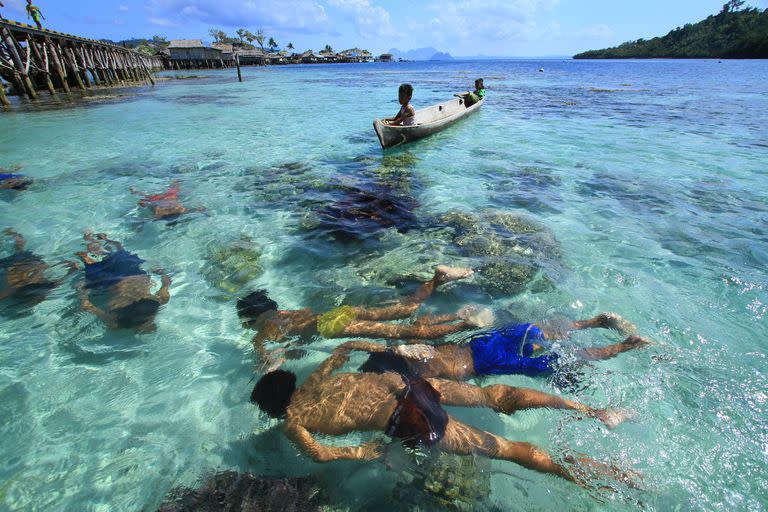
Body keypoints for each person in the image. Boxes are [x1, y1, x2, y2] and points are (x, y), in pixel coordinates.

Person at [251, 341, 638, 487]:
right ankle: (597, 411)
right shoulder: (317, 377)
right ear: (289, 383)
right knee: (496, 395)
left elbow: (319, 454)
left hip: (408, 420)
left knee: (505, 448)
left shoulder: (293, 423)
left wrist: (362, 452)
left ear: (272, 409)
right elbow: (344, 348)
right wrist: (394, 346)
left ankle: (592, 475)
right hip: (410, 385)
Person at [237, 266, 490, 369]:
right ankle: (438, 279)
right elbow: (306, 322)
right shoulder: (287, 313)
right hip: (342, 313)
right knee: (405, 308)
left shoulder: (264, 332)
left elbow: (272, 358)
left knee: (403, 332)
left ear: (250, 320)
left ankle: (463, 322)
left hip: (333, 325)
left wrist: (275, 358)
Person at [358, 313, 651, 382]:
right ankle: (593, 322)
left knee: (564, 360)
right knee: (543, 332)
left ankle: (625, 346)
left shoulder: (412, 379)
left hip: (486, 362)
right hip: (483, 341)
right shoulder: (409, 349)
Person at [75, 231, 170, 332]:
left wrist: (163, 277)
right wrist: (83, 290)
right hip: (110, 281)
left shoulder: (156, 302)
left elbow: (166, 284)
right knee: (91, 257)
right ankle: (92, 238)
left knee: (120, 253)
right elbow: (86, 306)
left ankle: (102, 239)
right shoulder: (116, 321)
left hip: (133, 275)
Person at [1, 228, 77, 305]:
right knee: (30, 257)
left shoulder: (19, 285)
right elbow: (58, 282)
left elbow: (8, 291)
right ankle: (16, 239)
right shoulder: (44, 285)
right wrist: (71, 271)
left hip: (19, 267)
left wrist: (70, 270)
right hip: (25, 267)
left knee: (22, 254)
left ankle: (15, 239)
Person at [130, 180, 205, 221]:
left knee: (144, 196)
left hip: (163, 199)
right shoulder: (179, 209)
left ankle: (134, 190)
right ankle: (134, 191)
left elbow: (147, 218)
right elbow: (195, 210)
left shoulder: (178, 210)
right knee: (144, 197)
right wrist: (201, 209)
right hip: (167, 198)